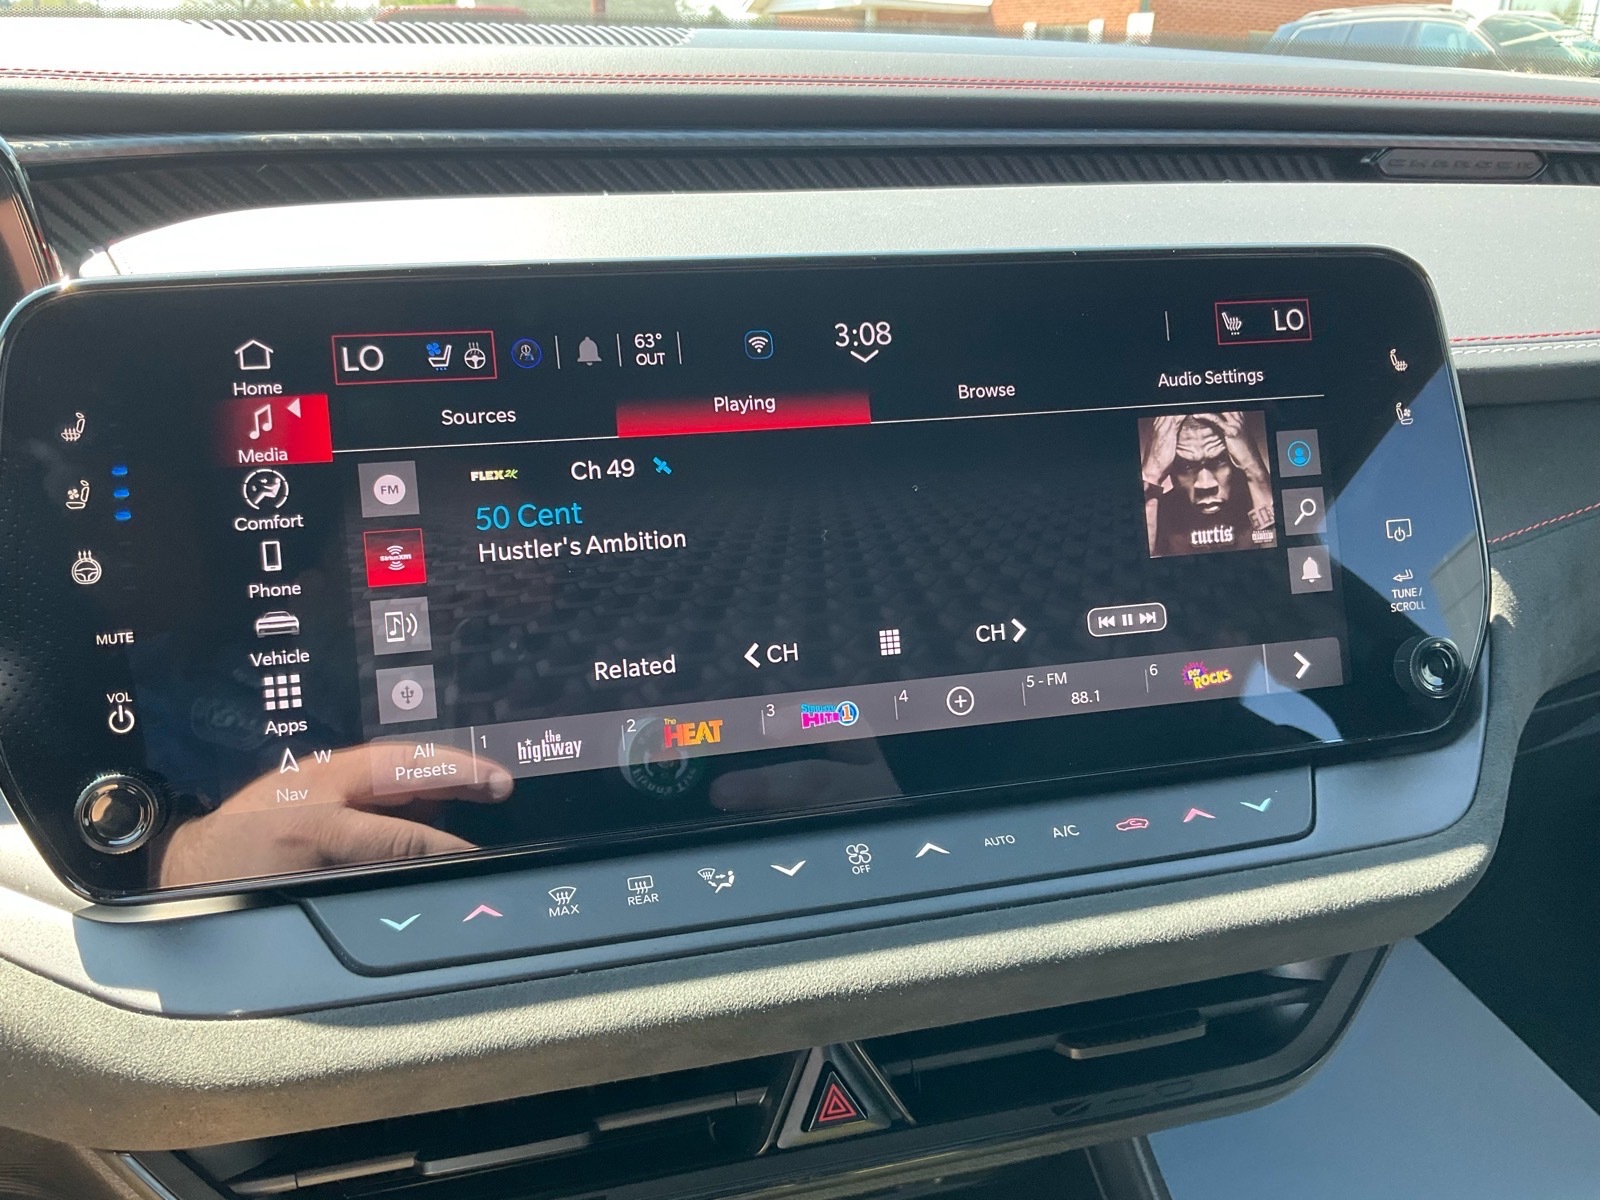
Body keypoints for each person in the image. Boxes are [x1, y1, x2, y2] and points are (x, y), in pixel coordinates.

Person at [1142, 411, 1276, 558]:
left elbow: (1279, 561)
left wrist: (1254, 469)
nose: (1205, 485)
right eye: (1187, 466)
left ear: (1238, 458)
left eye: (1219, 461)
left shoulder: (1261, 502)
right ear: (1170, 466)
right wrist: (1151, 474)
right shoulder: (1157, 515)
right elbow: (1136, 566)